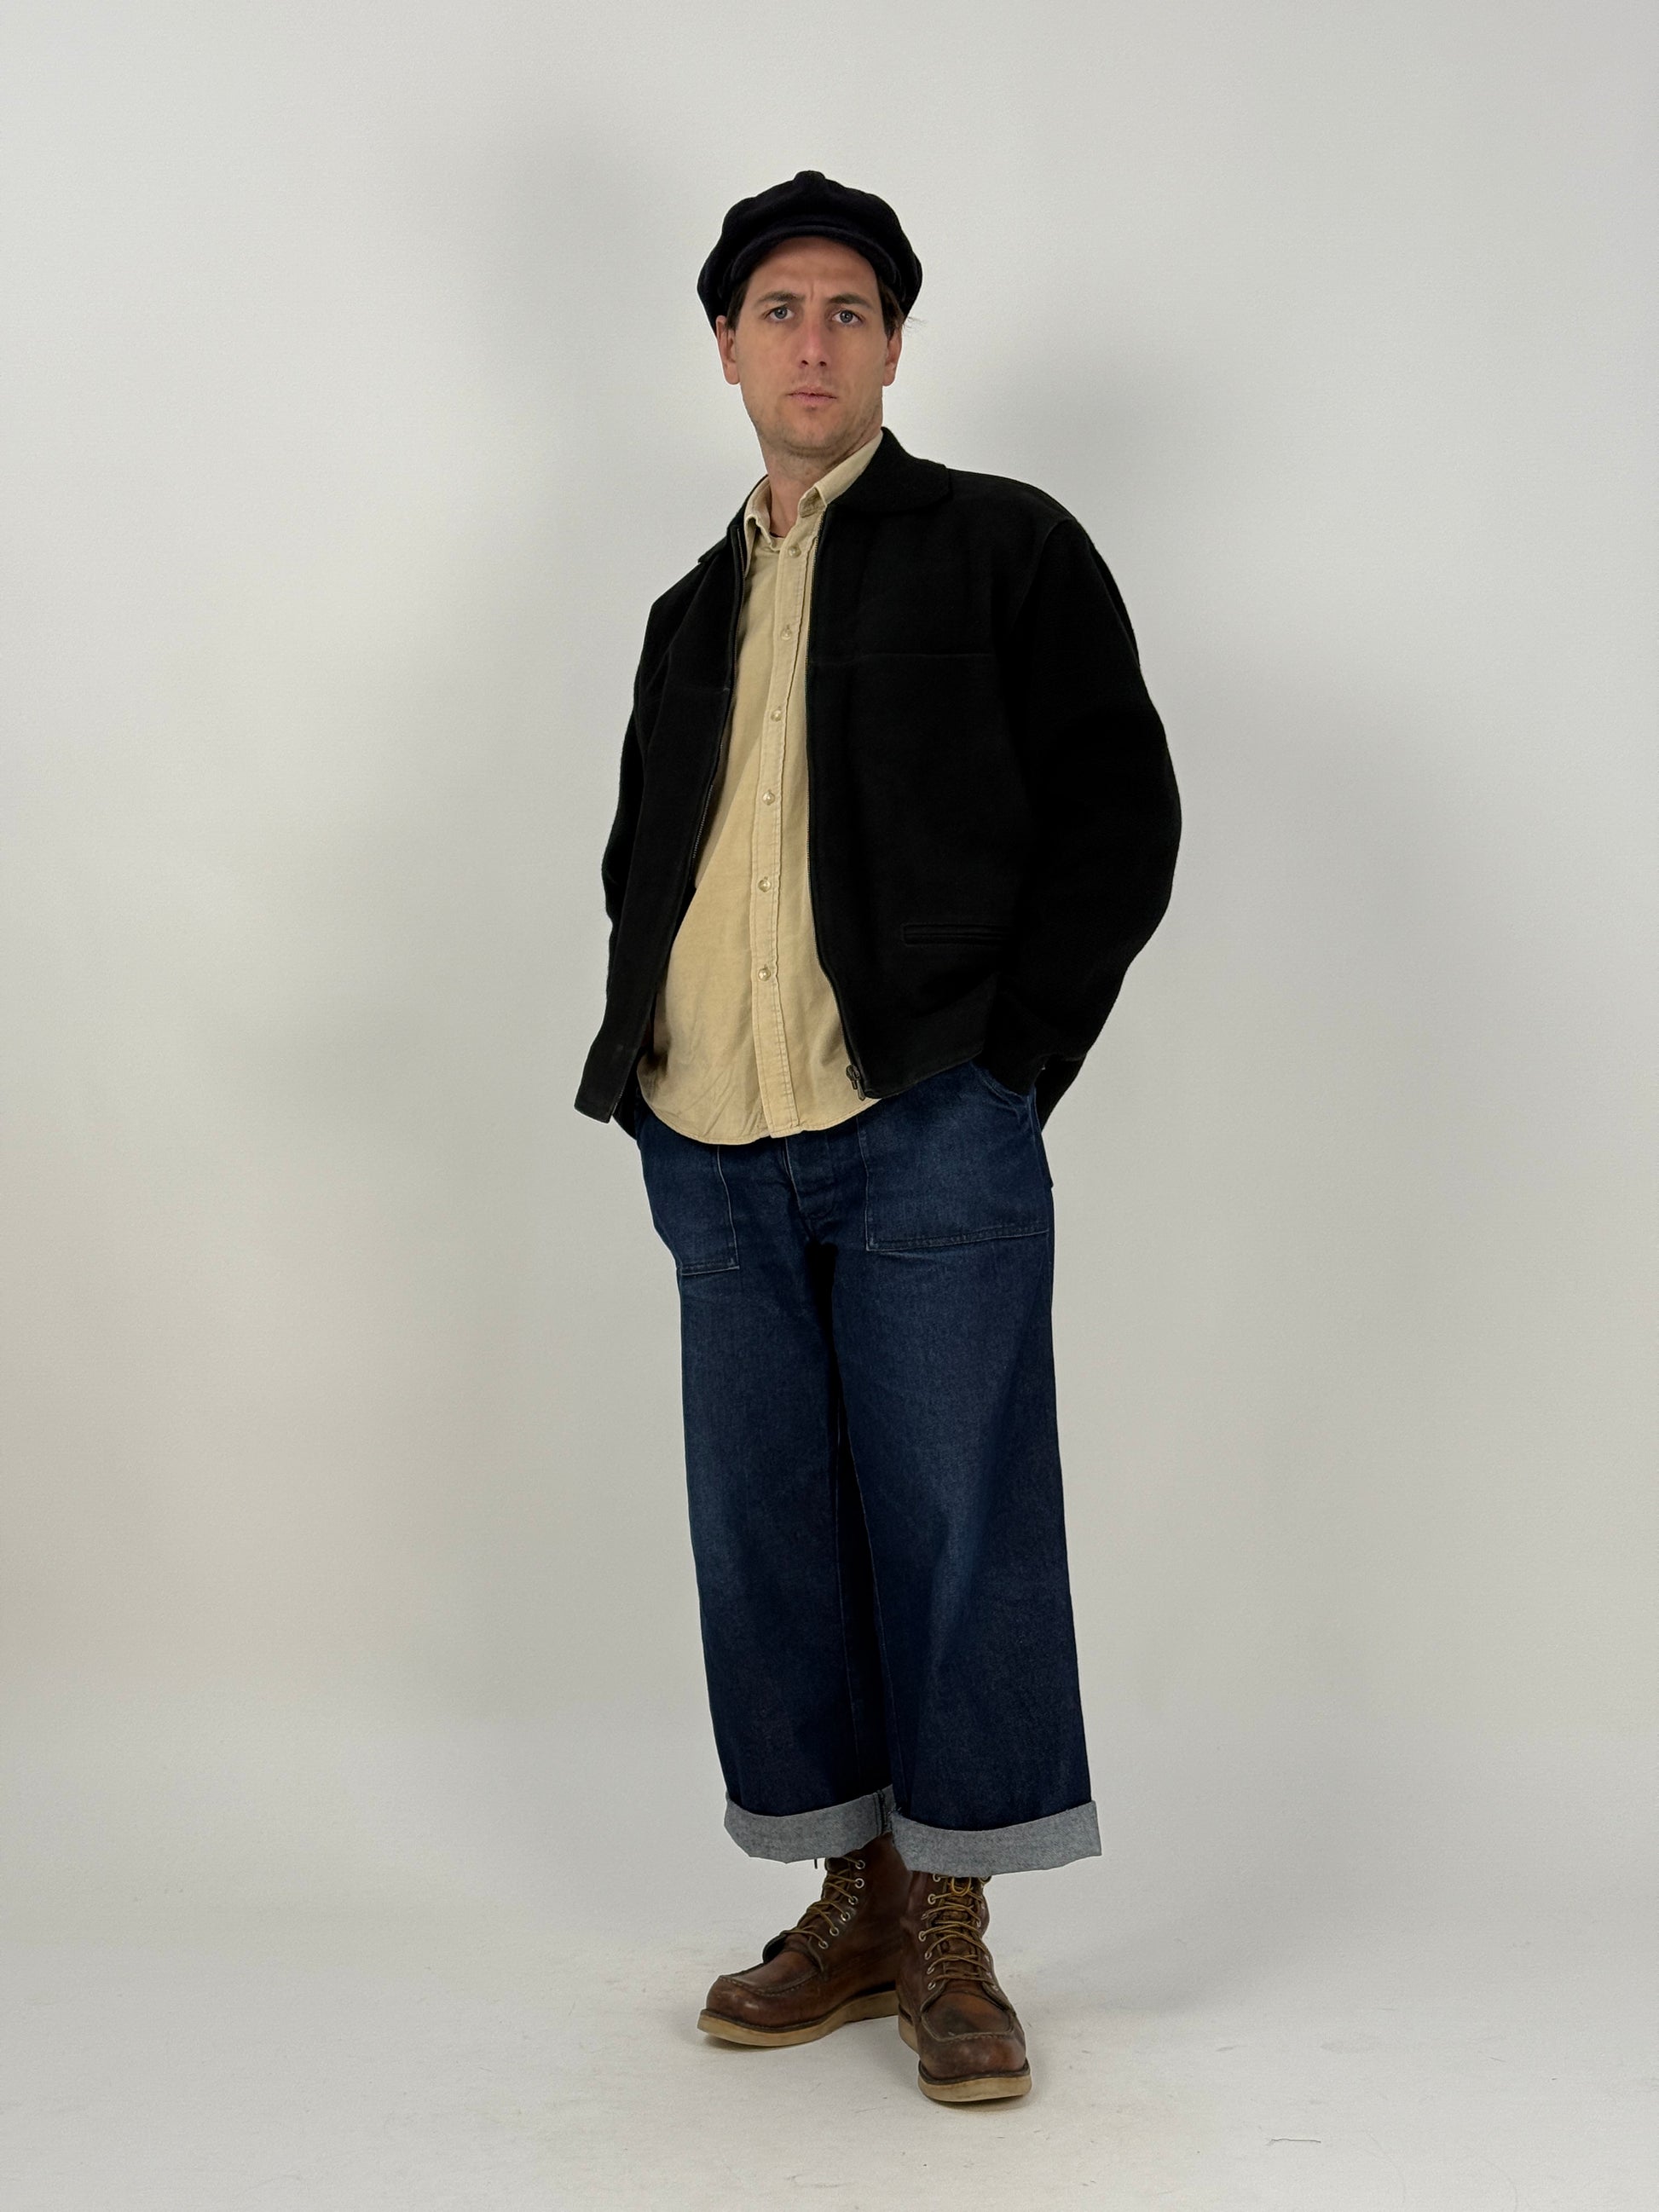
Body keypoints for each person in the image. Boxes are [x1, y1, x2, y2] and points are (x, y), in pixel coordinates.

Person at [575, 170, 1180, 2105]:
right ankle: (851, 1896)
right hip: (709, 1133)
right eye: (778, 310)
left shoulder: (1001, 545)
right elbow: (644, 856)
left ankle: (952, 1925)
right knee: (767, 1531)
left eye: (848, 309)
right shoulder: (686, 611)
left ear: (895, 345)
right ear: (726, 348)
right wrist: (645, 1060)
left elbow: (1119, 815)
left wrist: (1007, 1065)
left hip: (927, 1119)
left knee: (954, 1518)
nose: (813, 341)